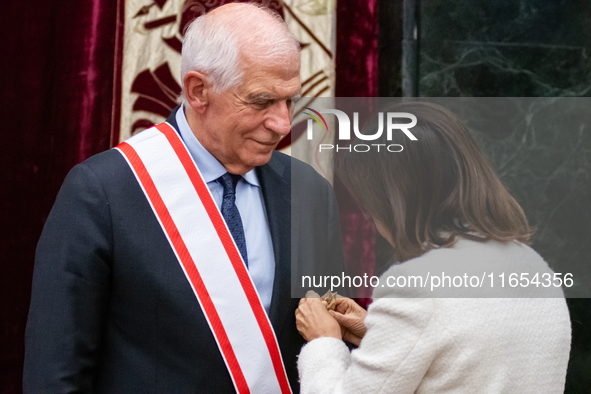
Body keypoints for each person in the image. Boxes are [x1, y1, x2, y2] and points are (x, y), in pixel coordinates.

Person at [24, 4, 343, 393]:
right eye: (261, 101)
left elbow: (330, 346)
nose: (281, 123)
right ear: (198, 91)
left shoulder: (310, 193)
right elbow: (57, 373)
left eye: (289, 100)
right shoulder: (101, 193)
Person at [295, 102, 571, 393]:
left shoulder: (416, 287)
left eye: (371, 207)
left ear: (393, 203)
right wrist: (381, 333)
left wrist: (323, 342)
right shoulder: (534, 265)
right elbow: (470, 358)